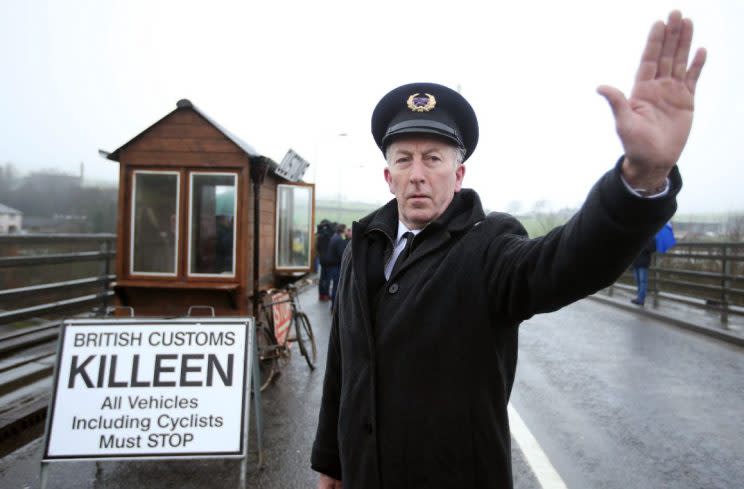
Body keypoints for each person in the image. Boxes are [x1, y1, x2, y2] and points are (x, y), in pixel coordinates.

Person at [312, 11, 706, 489]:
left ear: (458, 176)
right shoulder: (363, 246)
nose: (418, 172)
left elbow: (565, 262)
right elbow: (343, 363)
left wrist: (641, 179)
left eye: (433, 158)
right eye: (404, 159)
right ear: (387, 175)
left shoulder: (488, 247)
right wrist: (331, 461)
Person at [326, 223, 349, 309]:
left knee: (336, 286)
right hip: (336, 266)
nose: (347, 231)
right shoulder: (339, 240)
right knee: (337, 286)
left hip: (333, 265)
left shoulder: (335, 237)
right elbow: (342, 254)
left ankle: (334, 306)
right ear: (343, 230)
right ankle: (335, 307)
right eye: (346, 229)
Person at [631, 237, 656, 306]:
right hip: (635, 262)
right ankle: (639, 298)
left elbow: (653, 248)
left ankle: (641, 299)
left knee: (643, 282)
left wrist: (642, 245)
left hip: (644, 263)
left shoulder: (651, 237)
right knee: (638, 281)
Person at [316, 219, 334, 301]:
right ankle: (326, 295)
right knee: (327, 279)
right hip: (329, 260)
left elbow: (318, 248)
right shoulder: (329, 235)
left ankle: (321, 295)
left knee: (322, 278)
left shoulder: (319, 236)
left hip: (322, 260)